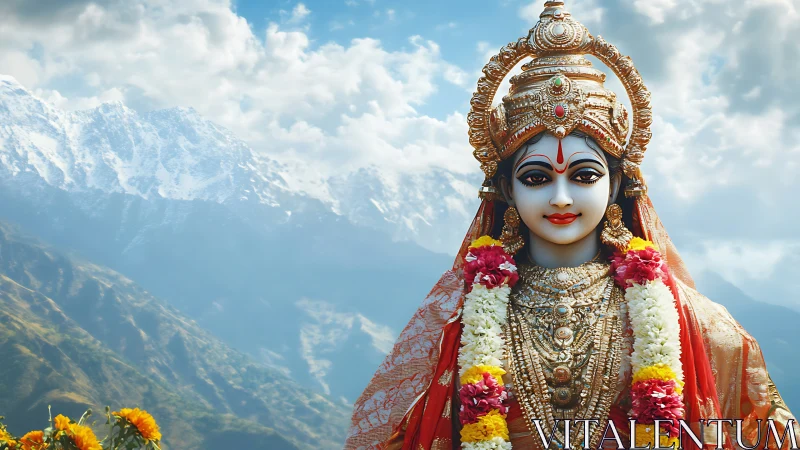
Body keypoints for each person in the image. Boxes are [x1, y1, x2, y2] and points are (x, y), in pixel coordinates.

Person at [345, 2, 798, 449]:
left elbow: (763, 432)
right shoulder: (456, 318)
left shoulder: (694, 322)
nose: (561, 198)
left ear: (617, 183)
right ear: (505, 190)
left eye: (584, 176)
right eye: (537, 178)